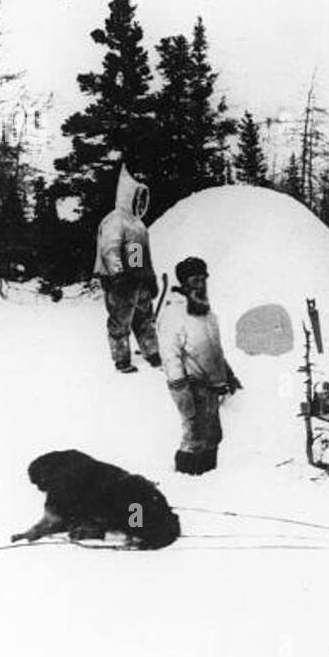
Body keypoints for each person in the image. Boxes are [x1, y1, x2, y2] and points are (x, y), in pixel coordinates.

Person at [157, 257, 241, 475]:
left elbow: (214, 350)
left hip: (212, 387)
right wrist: (180, 389)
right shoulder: (174, 313)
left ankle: (207, 482)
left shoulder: (207, 313)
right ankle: (187, 481)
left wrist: (229, 375)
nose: (200, 285)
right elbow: (170, 356)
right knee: (194, 437)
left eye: (203, 280)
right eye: (195, 280)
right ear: (184, 284)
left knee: (213, 436)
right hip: (192, 387)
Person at [94, 166, 160, 374]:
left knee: (145, 320)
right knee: (120, 322)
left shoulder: (138, 225)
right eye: (137, 199)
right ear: (127, 197)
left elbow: (140, 256)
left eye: (143, 200)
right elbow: (109, 249)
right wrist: (118, 276)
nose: (140, 204)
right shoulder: (114, 220)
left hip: (138, 281)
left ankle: (152, 352)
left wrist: (149, 279)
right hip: (120, 283)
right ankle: (121, 359)